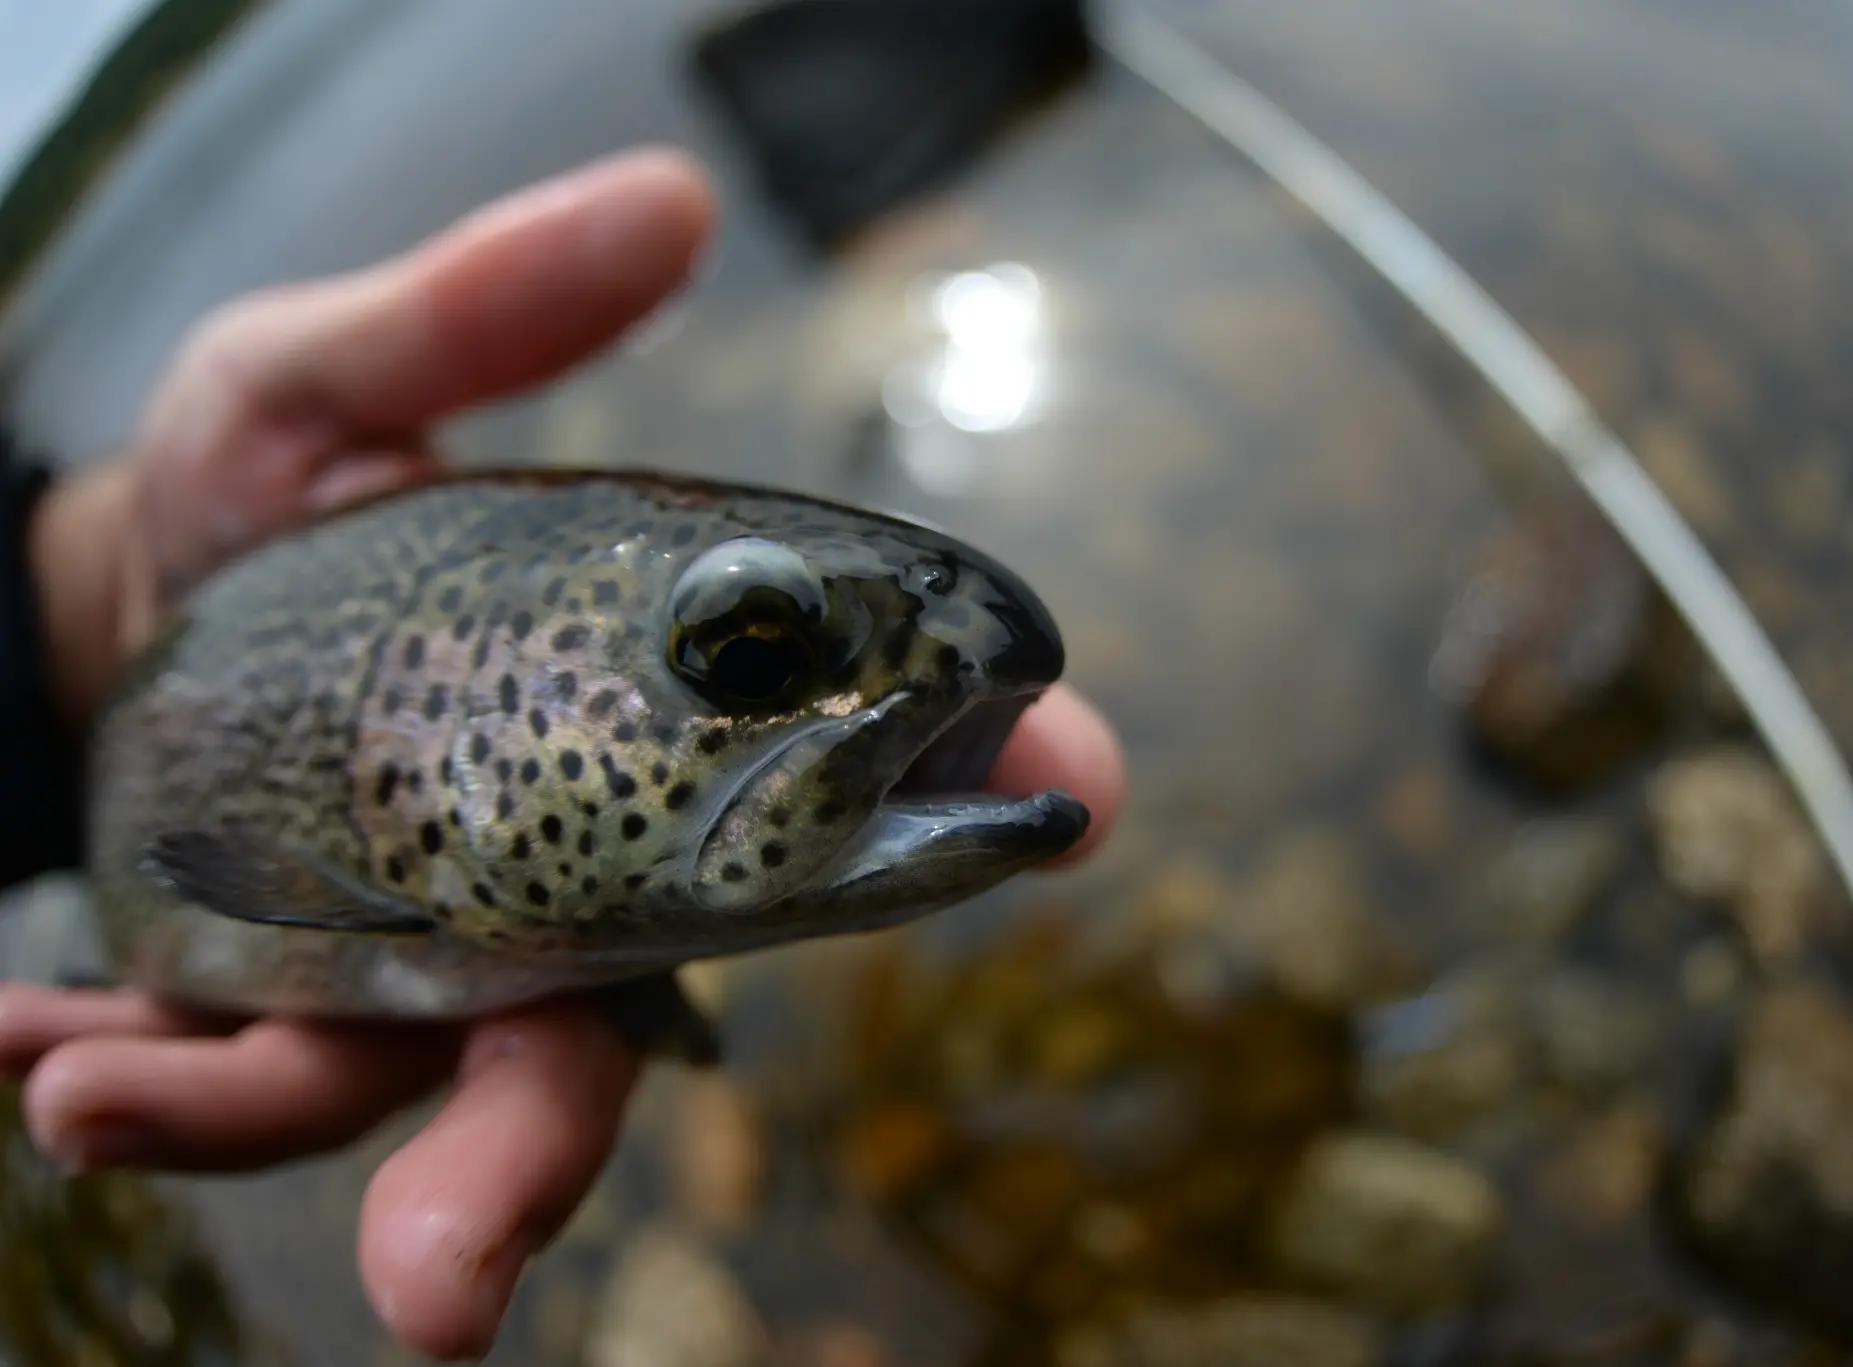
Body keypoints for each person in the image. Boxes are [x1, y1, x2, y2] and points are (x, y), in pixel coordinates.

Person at [0, 148, 1125, 1362]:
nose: (896, 690)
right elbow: (190, 863)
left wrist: (46, 596)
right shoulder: (352, 857)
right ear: (442, 714)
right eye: (745, 651)